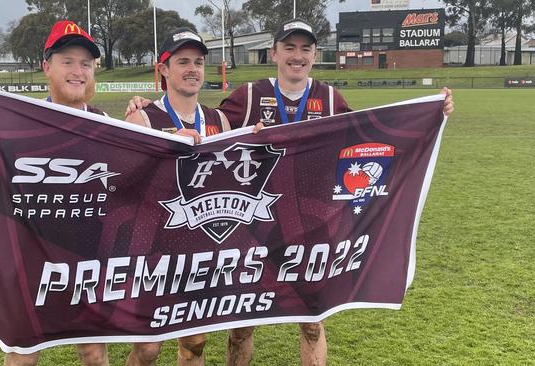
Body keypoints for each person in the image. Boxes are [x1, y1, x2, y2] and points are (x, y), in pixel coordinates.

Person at [126, 18, 454, 366]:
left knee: (313, 323)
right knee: (241, 324)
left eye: (305, 49)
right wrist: (145, 109)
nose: (297, 56)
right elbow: (205, 138)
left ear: (315, 54)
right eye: (289, 48)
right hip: (253, 227)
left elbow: (370, 138)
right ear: (275, 52)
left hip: (312, 227)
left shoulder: (330, 98)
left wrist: (432, 112)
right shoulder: (247, 97)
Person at [0, 20, 110, 366]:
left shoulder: (104, 123)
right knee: (22, 354)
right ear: (46, 66)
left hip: (87, 259)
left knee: (93, 352)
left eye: (86, 63)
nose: (78, 71)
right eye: (68, 61)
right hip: (28, 259)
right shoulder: (15, 122)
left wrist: (179, 144)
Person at [124, 27, 230, 366]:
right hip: (152, 249)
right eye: (182, 61)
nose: (192, 69)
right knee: (148, 348)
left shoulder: (220, 120)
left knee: (195, 342)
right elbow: (124, 184)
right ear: (164, 69)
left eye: (198, 62)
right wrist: (170, 141)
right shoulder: (141, 118)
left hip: (200, 247)